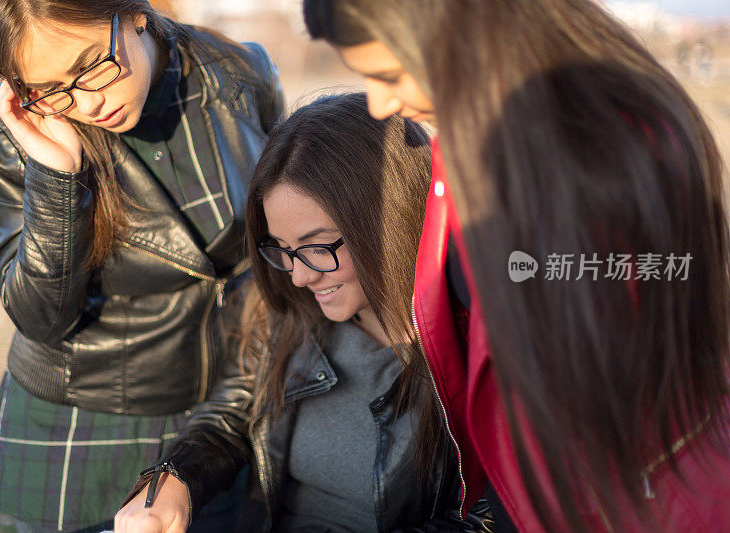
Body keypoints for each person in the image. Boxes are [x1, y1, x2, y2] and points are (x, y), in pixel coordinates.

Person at [303, 1, 730, 531]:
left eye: (390, 74)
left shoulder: (596, 164)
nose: (378, 102)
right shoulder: (475, 139)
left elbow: (599, 410)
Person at [114, 93, 494, 532]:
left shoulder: (476, 347)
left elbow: (487, 519)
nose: (297, 276)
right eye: (283, 250)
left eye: (315, 247)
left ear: (389, 221)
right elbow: (233, 413)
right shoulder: (287, 312)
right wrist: (173, 480)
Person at [0, 0, 284, 530]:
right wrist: (57, 179)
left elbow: (275, 247)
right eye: (50, 88)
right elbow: (42, 319)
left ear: (135, 13)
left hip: (222, 406)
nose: (87, 102)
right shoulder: (17, 128)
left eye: (92, 65)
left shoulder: (240, 73)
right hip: (82, 422)